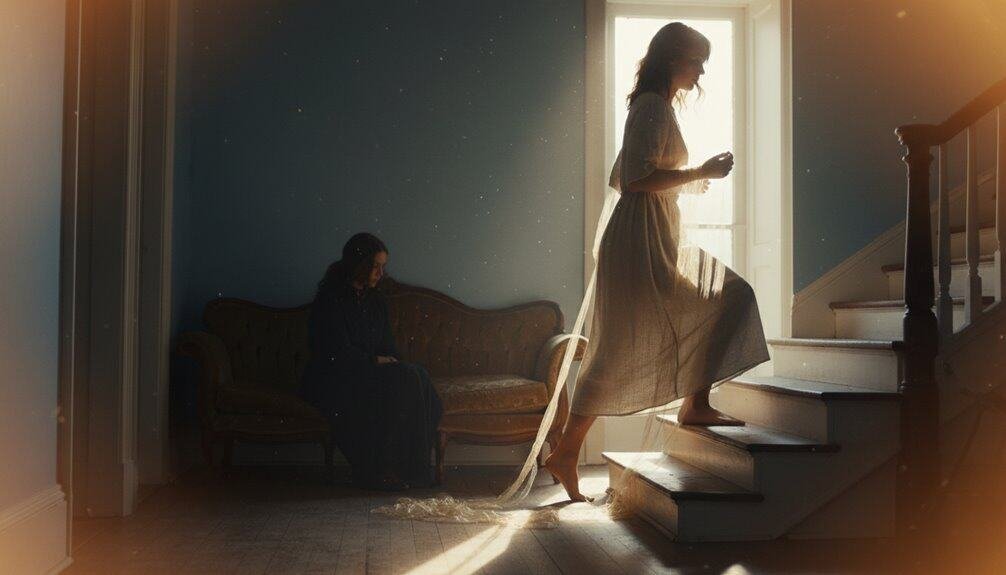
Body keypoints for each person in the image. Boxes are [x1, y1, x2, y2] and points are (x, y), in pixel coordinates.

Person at [544, 23, 770, 502]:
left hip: (652, 235)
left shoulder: (656, 107)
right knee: (629, 342)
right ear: (673, 60)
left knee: (721, 302)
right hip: (638, 242)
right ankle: (571, 450)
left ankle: (693, 403)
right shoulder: (650, 106)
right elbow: (631, 179)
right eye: (696, 61)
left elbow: (645, 176)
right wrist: (699, 171)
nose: (701, 70)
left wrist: (691, 181)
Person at [300, 232, 443, 491]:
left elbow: (387, 344)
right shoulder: (330, 300)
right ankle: (402, 471)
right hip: (337, 375)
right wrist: (375, 361)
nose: (379, 272)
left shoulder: (376, 300)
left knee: (417, 375)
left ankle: (408, 469)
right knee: (409, 377)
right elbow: (335, 351)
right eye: (375, 266)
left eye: (383, 267)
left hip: (370, 370)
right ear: (359, 264)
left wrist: (391, 361)